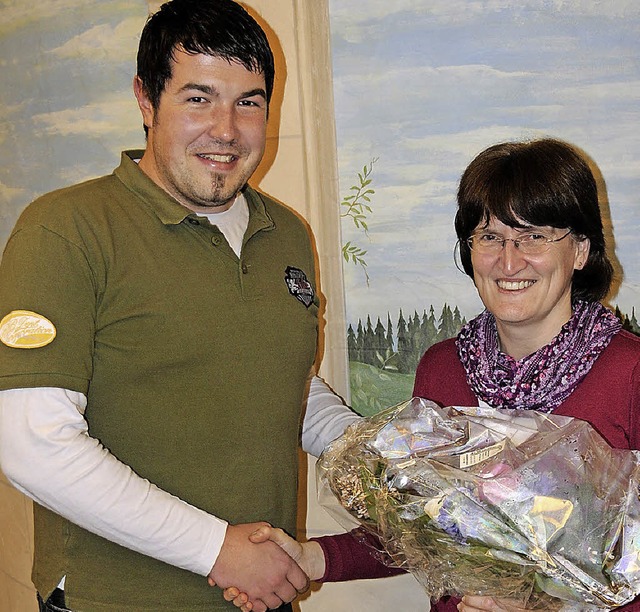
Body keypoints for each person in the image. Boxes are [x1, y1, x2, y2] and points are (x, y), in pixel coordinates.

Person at [0, 1, 358, 611]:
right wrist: (218, 549)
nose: (226, 129)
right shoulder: (65, 230)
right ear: (145, 100)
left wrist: (373, 451)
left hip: (258, 595)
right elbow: (31, 445)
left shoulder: (288, 234)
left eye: (248, 101)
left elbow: (281, 381)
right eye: (198, 98)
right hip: (114, 599)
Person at [222, 137, 640, 612]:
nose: (509, 260)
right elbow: (417, 526)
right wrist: (310, 558)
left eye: (535, 236)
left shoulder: (630, 375)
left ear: (581, 249)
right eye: (489, 237)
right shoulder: (444, 370)